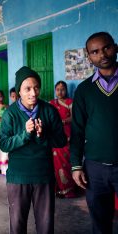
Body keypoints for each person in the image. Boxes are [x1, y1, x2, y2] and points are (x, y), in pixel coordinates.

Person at [0, 66, 67, 234]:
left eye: (36, 87)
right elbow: (4, 144)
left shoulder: (49, 110)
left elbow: (61, 140)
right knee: (17, 223)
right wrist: (25, 134)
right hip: (18, 178)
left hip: (43, 176)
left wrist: (42, 135)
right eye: (27, 89)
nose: (33, 93)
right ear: (18, 92)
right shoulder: (10, 113)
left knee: (45, 224)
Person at [70, 31, 118, 234]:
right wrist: (76, 166)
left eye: (106, 47)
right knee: (100, 222)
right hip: (94, 169)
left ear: (115, 47)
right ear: (89, 56)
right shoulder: (83, 90)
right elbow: (77, 130)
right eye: (95, 52)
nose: (103, 54)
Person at [49, 81, 77, 198]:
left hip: (68, 136)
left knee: (66, 163)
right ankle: (58, 189)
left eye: (62, 89)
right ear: (55, 90)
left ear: (66, 90)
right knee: (54, 163)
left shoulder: (70, 102)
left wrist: (63, 122)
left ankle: (68, 190)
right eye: (58, 89)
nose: (60, 92)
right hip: (55, 136)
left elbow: (74, 117)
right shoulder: (51, 103)